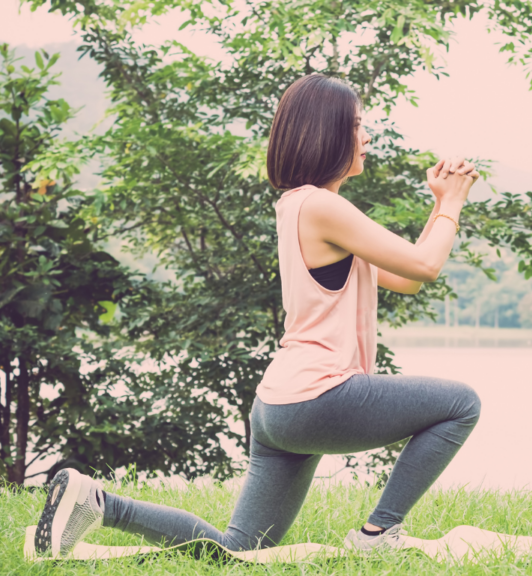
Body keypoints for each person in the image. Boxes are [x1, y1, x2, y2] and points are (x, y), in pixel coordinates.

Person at [32, 73, 482, 557]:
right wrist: (455, 200)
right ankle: (379, 535)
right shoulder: (322, 206)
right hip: (320, 395)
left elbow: (407, 277)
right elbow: (426, 266)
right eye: (356, 125)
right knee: (461, 404)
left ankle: (95, 502)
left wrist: (438, 204)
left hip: (279, 406)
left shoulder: (301, 207)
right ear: (327, 133)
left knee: (238, 548)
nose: (366, 136)